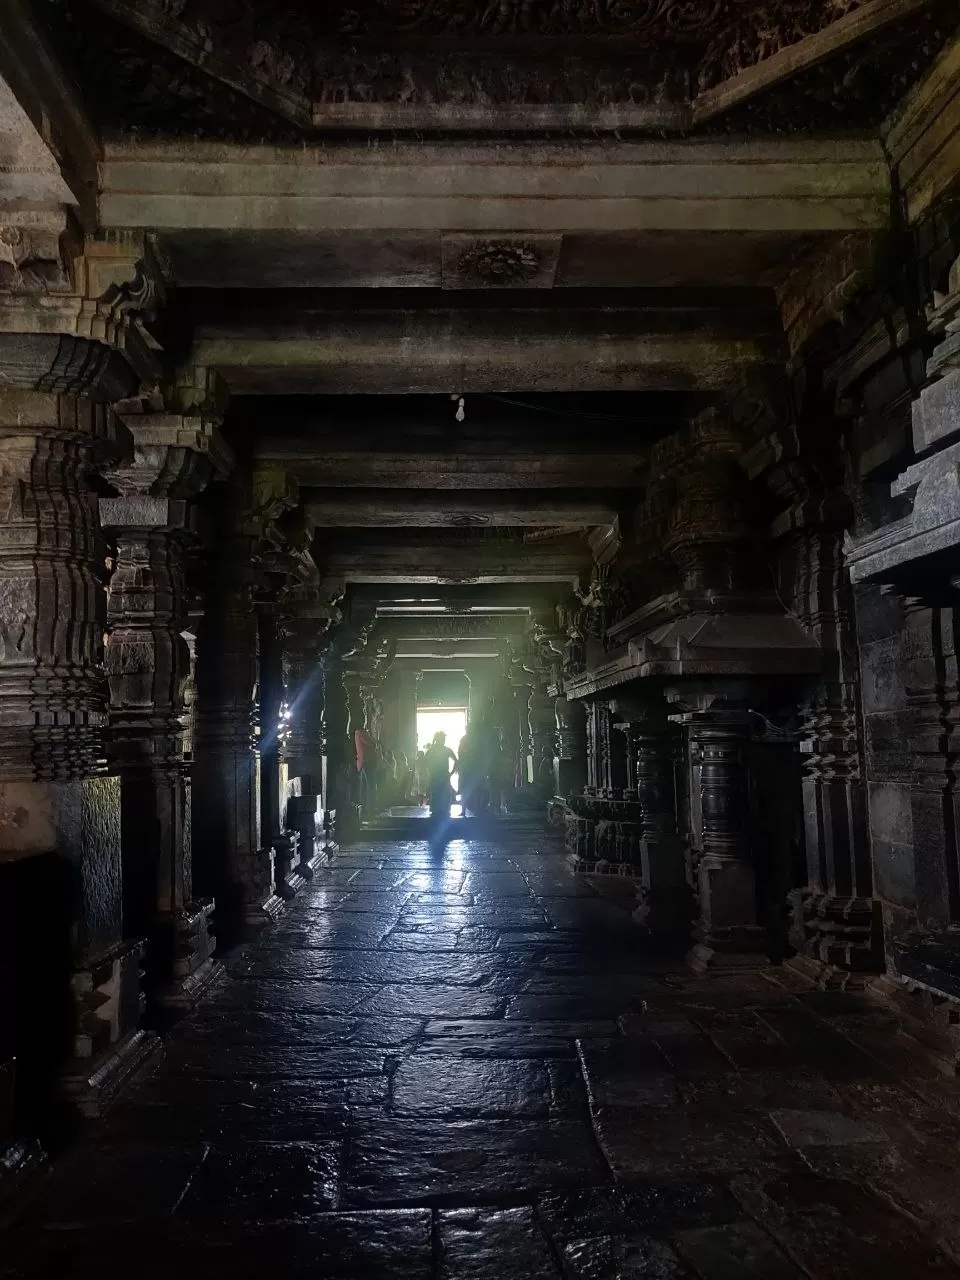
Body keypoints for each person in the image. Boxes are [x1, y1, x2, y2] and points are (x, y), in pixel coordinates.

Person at [423, 730, 457, 821]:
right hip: (440, 775)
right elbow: (456, 761)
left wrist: (451, 773)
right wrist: (451, 773)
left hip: (440, 775)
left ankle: (440, 813)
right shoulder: (443, 750)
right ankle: (440, 813)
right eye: (443, 738)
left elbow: (424, 763)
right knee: (439, 795)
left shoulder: (434, 750)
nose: (444, 740)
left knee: (440, 795)